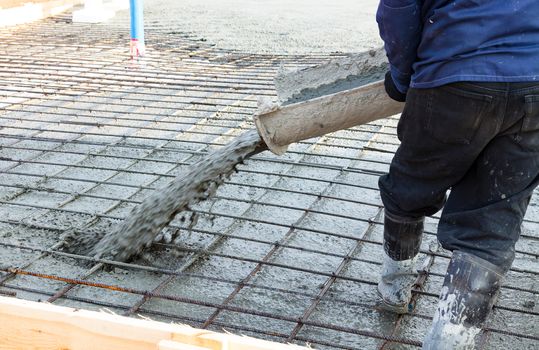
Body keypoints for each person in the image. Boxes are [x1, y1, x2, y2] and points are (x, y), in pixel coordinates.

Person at [374, 1, 539, 349]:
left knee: (409, 189)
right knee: (489, 229)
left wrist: (402, 79)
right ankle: (448, 344)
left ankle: (394, 290)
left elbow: (398, 10)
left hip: (454, 80)